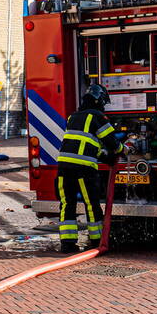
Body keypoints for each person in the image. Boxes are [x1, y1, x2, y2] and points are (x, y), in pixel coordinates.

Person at [55, 83, 122, 253]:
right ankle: (97, 241)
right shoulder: (97, 116)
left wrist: (104, 158)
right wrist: (122, 150)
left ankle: (67, 243)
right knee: (91, 203)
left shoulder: (73, 117)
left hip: (64, 166)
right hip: (84, 168)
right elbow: (111, 141)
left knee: (67, 203)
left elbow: (85, 143)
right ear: (99, 100)